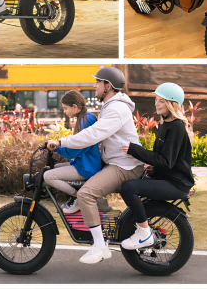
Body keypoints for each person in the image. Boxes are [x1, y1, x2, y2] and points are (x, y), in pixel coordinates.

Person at [47, 67, 144, 264]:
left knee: (86, 193)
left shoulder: (116, 109)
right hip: (118, 163)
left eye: (97, 82)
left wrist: (62, 143)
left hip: (125, 166)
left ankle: (100, 246)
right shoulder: (111, 106)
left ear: (108, 86)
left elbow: (93, 134)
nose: (94, 86)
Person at [118, 83, 195, 250]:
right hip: (168, 178)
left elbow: (165, 161)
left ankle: (144, 233)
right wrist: (153, 169)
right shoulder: (166, 124)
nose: (156, 104)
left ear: (171, 104)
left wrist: (134, 150)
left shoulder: (176, 127)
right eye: (156, 99)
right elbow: (166, 161)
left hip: (176, 183)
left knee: (128, 188)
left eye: (161, 101)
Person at [43, 90, 103, 214]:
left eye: (65, 108)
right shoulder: (88, 117)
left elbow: (75, 152)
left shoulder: (84, 121)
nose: (64, 111)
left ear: (74, 107)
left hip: (87, 167)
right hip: (87, 163)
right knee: (55, 167)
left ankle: (78, 197)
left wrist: (57, 148)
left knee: (48, 176)